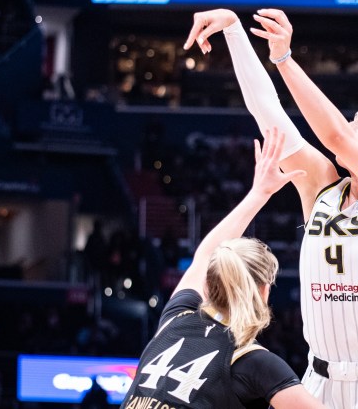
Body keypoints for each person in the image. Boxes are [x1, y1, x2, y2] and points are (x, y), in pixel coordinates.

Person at [184, 9, 358, 409]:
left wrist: (284, 57)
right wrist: (233, 29)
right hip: (318, 381)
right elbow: (270, 117)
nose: (351, 127)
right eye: (353, 119)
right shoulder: (323, 188)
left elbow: (335, 137)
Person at [119, 128, 326, 409]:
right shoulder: (255, 361)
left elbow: (203, 256)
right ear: (264, 293)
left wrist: (259, 193)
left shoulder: (174, 319)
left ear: (206, 287)